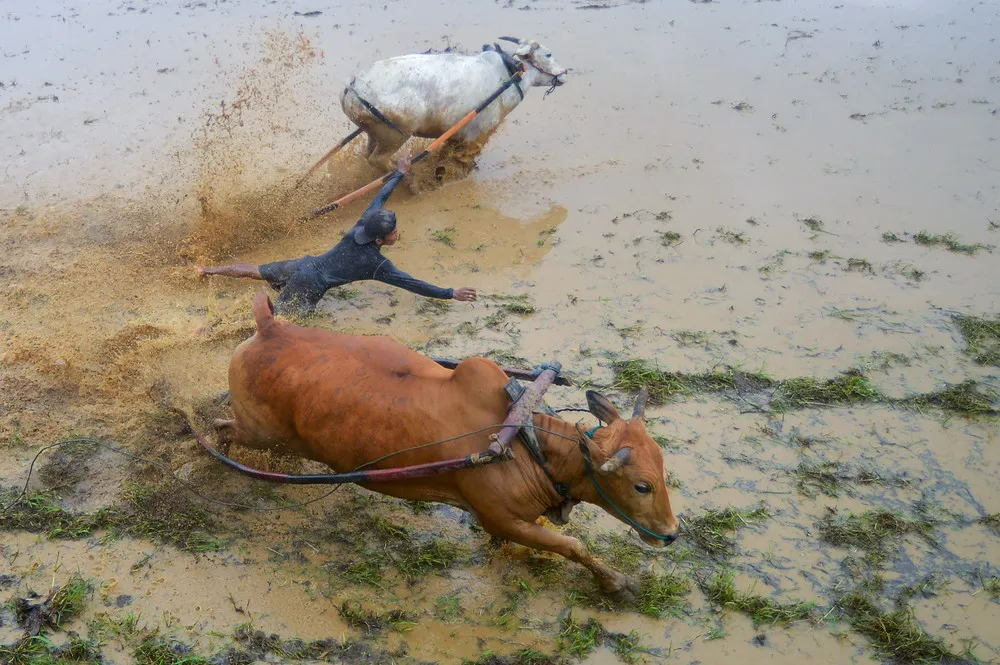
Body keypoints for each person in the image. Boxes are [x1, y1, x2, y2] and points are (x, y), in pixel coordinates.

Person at [195, 151, 477, 315]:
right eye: (394, 233)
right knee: (276, 323)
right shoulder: (377, 264)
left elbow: (381, 197)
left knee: (253, 270)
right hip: (310, 286)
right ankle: (212, 329)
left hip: (304, 263)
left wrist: (400, 173)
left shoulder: (363, 224)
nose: (397, 235)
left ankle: (205, 271)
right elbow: (412, 284)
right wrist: (450, 293)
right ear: (379, 240)